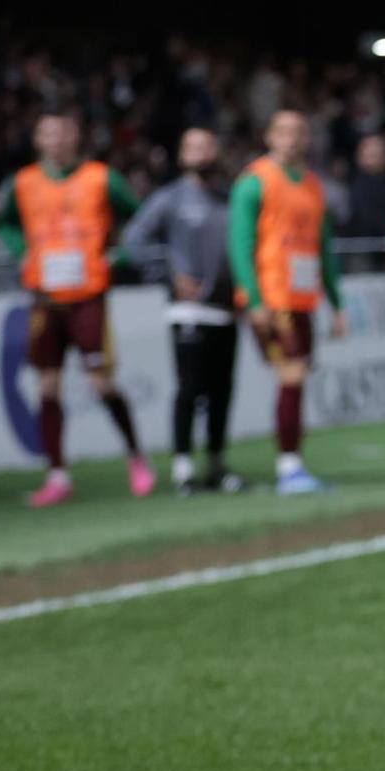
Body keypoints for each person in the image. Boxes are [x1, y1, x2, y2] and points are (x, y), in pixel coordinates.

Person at [0, 111, 155, 507]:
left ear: (76, 137)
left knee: (100, 382)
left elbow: (141, 219)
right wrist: (21, 252)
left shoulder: (101, 178)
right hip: (45, 298)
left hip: (88, 296)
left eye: (63, 132)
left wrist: (117, 255)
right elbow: (6, 224)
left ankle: (135, 456)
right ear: (37, 139)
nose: (56, 140)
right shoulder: (24, 183)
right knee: (47, 386)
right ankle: (57, 475)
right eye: (47, 132)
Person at [228, 109, 346, 495]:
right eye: (283, 132)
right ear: (268, 137)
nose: (291, 139)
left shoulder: (313, 185)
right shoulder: (253, 183)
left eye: (299, 132)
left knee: (297, 377)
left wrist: (337, 302)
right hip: (273, 299)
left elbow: (323, 247)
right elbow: (240, 245)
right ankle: (288, 466)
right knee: (291, 375)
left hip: (303, 299)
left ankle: (294, 463)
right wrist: (252, 298)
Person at [123, 127, 242, 495]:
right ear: (182, 155)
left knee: (223, 389)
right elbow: (133, 240)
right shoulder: (171, 198)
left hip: (226, 308)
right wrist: (166, 276)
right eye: (192, 147)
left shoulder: (229, 197)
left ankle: (217, 463)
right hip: (188, 311)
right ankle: (182, 466)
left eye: (207, 146)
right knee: (190, 388)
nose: (201, 153)